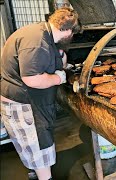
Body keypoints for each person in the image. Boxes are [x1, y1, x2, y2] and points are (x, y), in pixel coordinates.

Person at [0, 7, 81, 180]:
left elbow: (54, 58)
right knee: (36, 145)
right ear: (67, 30)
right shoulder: (37, 41)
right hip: (22, 104)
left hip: (28, 101)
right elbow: (32, 79)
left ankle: (37, 173)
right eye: (72, 33)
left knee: (35, 144)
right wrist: (59, 79)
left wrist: (61, 56)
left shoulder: (42, 34)